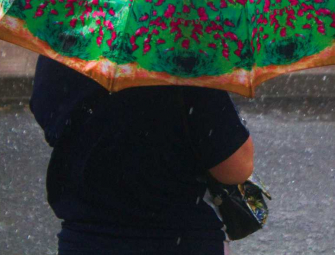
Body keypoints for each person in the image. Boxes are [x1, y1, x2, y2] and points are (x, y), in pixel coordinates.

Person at [30, 55, 253, 255]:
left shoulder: (64, 48)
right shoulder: (182, 56)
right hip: (180, 240)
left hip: (85, 240)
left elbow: (48, 117)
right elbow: (236, 168)